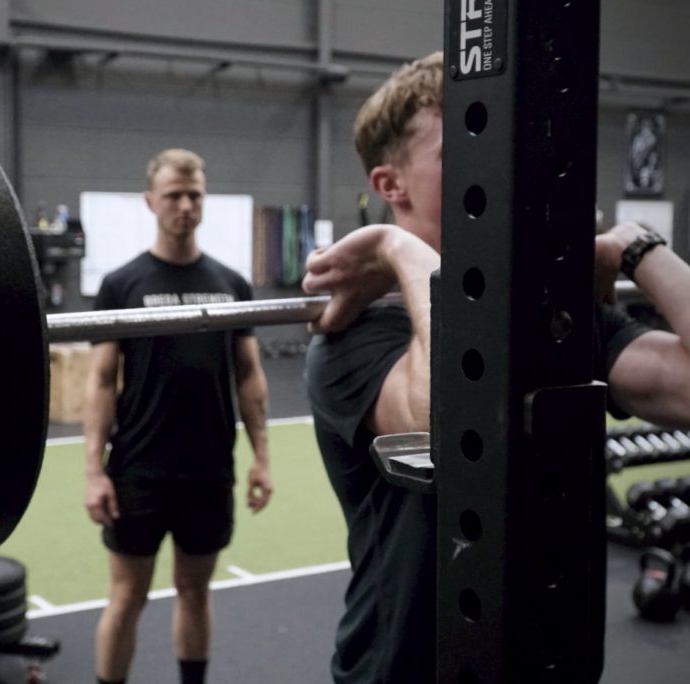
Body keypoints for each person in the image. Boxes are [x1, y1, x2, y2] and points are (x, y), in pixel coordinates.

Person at [301, 51, 690, 684]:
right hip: (405, 667)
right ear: (390, 185)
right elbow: (446, 423)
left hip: (546, 655)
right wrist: (398, 249)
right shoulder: (357, 336)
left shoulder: (554, 319)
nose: (496, 174)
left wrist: (637, 248)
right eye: (461, 158)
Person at [83, 148, 273, 684]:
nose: (185, 205)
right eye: (174, 195)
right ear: (151, 201)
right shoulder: (122, 285)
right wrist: (94, 470)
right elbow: (100, 382)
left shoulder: (232, 284)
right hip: (139, 469)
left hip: (209, 470)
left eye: (195, 195)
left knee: (195, 591)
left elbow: (249, 377)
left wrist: (262, 457)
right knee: (127, 596)